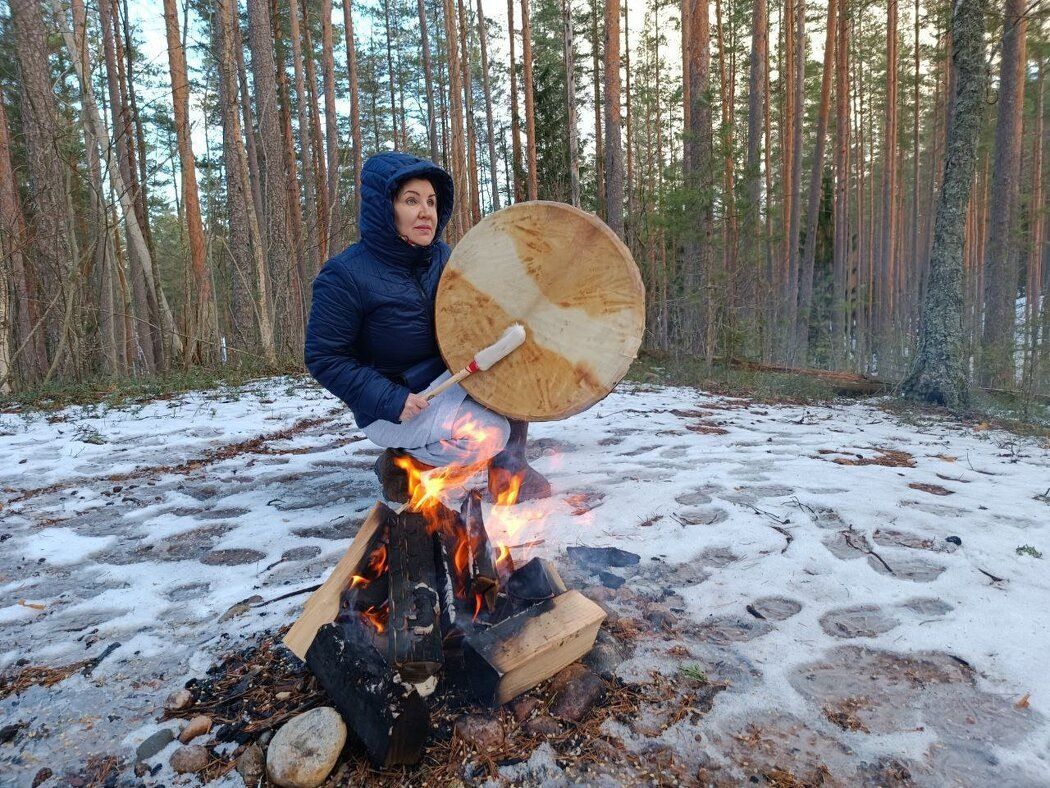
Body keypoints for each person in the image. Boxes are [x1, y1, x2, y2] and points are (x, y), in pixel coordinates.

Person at [304, 152, 550, 503]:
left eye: (432, 202)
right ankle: (403, 463)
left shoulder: (443, 258)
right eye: (411, 200)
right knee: (489, 434)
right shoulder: (344, 275)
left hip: (450, 378)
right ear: (384, 208)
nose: (426, 212)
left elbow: (475, 314)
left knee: (515, 376)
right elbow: (325, 357)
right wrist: (391, 399)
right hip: (397, 402)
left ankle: (510, 471)